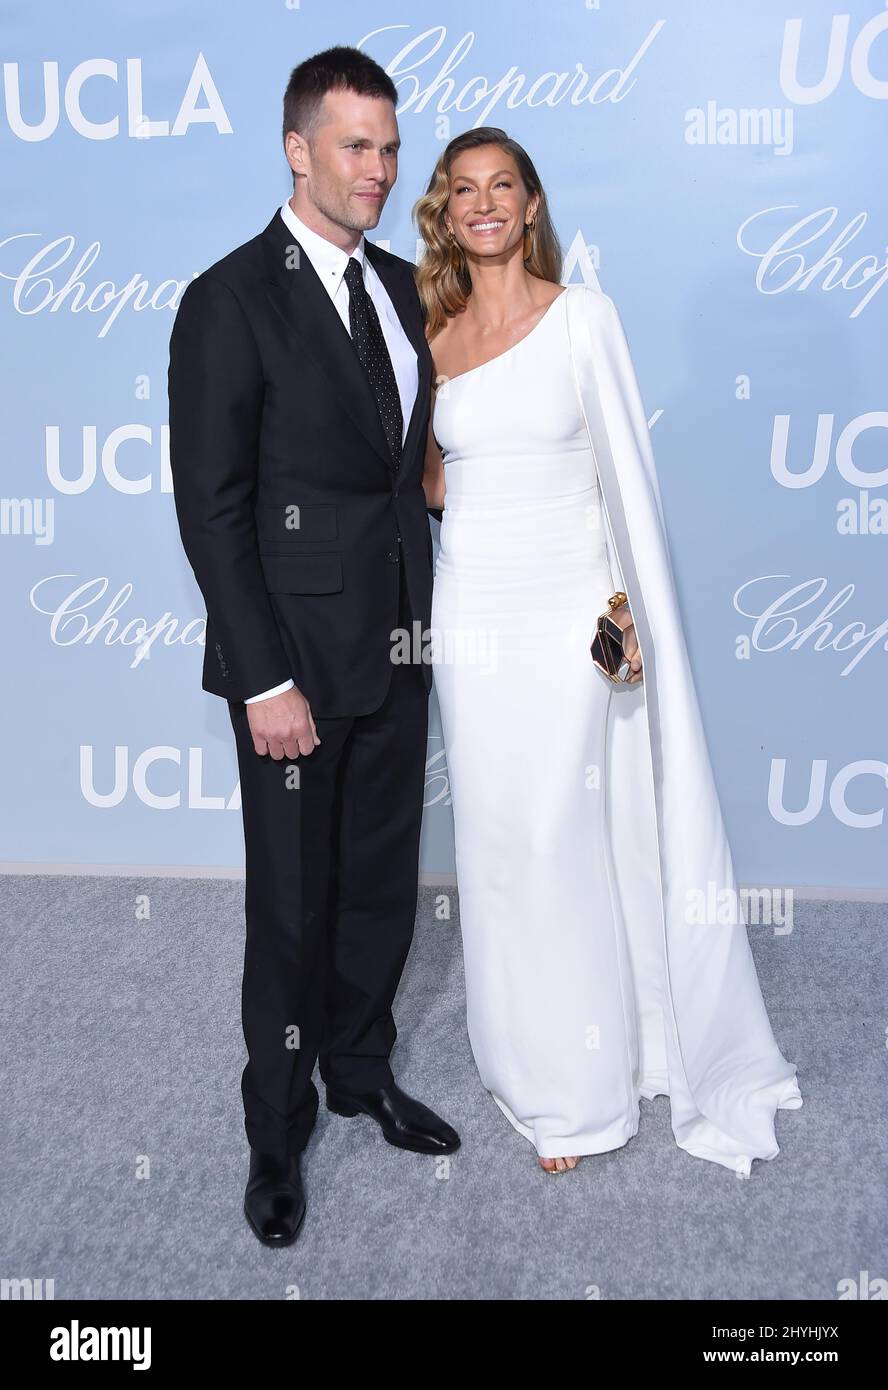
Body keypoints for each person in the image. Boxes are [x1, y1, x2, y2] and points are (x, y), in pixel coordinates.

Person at [416, 127, 802, 1176]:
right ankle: (528, 1065)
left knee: (561, 836)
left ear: (533, 205)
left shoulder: (584, 316)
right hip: (471, 620)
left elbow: (629, 485)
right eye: (465, 190)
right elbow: (434, 478)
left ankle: (586, 1094)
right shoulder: (433, 332)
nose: (485, 204)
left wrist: (627, 617)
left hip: (564, 617)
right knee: (498, 849)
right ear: (447, 211)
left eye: (504, 187)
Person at [167, 46, 459, 1248]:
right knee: (291, 906)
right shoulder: (229, 299)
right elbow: (213, 509)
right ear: (298, 150)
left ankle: (359, 1068)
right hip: (293, 668)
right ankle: (276, 1129)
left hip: (399, 647)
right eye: (356, 147)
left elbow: (412, 474)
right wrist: (264, 677)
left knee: (381, 885)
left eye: (391, 148)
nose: (380, 170)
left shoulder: (401, 285)